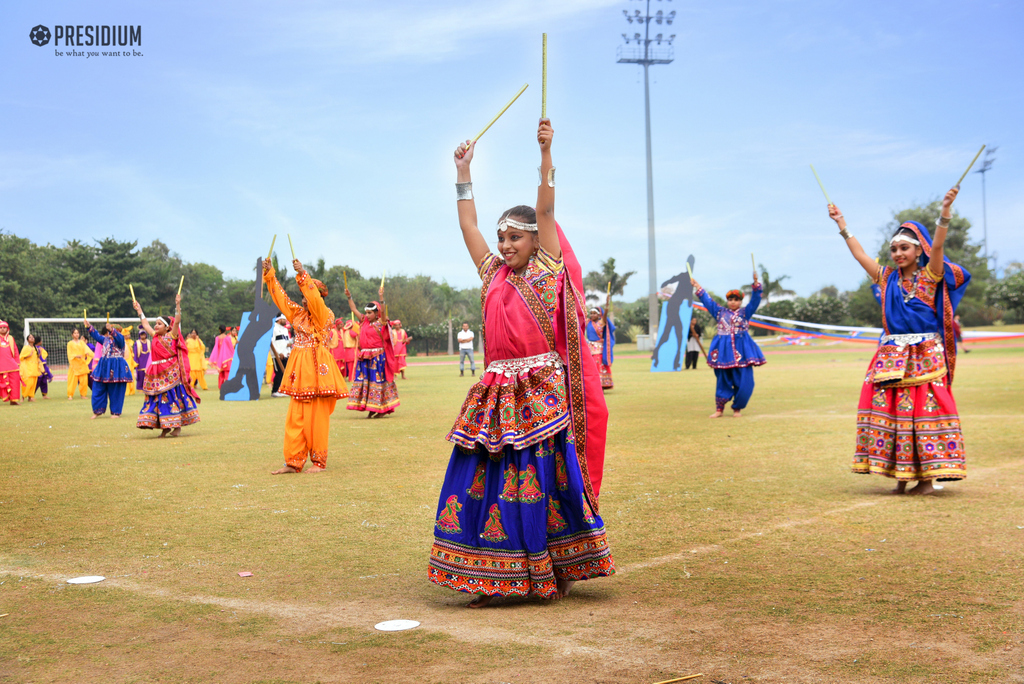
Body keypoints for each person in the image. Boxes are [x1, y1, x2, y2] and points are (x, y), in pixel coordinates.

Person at [428, 118, 614, 608]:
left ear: (535, 240)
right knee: (487, 481)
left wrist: (546, 156)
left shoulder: (548, 271)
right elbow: (468, 225)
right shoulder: (491, 272)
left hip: (540, 392)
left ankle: (556, 569)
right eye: (503, 237)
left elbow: (547, 207)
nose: (506, 245)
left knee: (544, 482)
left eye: (516, 237)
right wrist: (463, 174)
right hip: (495, 396)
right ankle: (489, 573)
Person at [829, 188, 970, 494]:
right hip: (892, 355)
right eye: (894, 249)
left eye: (904, 248)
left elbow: (939, 246)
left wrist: (945, 213)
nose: (897, 254)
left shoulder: (931, 275)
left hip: (925, 356)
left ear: (919, 250)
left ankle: (926, 480)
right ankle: (901, 477)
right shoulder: (886, 278)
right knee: (894, 413)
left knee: (922, 414)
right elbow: (859, 255)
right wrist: (843, 225)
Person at [263, 258, 349, 473]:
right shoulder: (298, 315)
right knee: (295, 417)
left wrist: (302, 275)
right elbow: (281, 299)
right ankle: (293, 461)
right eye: (301, 297)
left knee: (316, 418)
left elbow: (315, 301)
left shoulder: (324, 314)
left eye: (306, 296)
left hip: (318, 370)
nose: (303, 301)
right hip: (299, 372)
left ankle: (319, 462)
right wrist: (270, 275)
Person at [690, 273, 766, 418]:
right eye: (730, 299)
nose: (732, 302)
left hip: (742, 352)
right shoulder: (719, 312)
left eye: (736, 300)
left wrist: (756, 285)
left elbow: (755, 300)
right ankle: (719, 409)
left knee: (744, 381)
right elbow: (708, 301)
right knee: (722, 379)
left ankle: (737, 408)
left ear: (740, 301)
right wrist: (697, 286)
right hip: (723, 352)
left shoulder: (745, 313)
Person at [133, 295, 201, 437]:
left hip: (170, 373)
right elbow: (145, 324)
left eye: (159, 324)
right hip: (156, 373)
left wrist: (177, 305)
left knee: (172, 398)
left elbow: (176, 322)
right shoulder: (155, 336)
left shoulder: (172, 336)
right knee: (158, 399)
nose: (155, 326)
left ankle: (176, 426)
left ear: (167, 327)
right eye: (156, 323)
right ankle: (164, 426)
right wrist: (139, 310)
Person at [345, 288, 400, 417]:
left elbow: (384, 312)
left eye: (370, 312)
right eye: (367, 312)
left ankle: (382, 408)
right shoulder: (364, 320)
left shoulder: (381, 322)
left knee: (377, 383)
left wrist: (381, 298)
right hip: (365, 357)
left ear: (377, 313)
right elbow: (353, 309)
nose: (368, 314)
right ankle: (371, 407)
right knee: (367, 383)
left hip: (377, 358)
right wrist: (349, 297)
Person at [84, 317, 133, 418]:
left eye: (111, 331)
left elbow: (119, 337)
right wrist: (89, 326)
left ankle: (116, 412)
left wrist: (112, 329)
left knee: (116, 389)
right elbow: (96, 335)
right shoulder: (105, 340)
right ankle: (97, 410)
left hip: (116, 367)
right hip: (104, 366)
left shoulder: (121, 340)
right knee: (98, 387)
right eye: (109, 331)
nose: (109, 333)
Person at [585, 300, 616, 390]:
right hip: (590, 348)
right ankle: (594, 384)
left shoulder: (601, 323)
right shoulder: (588, 322)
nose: (592, 315)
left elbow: (605, 316)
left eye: (594, 313)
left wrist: (606, 308)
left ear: (598, 315)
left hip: (599, 348)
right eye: (591, 313)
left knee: (598, 364)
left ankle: (601, 384)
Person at [66, 328, 92, 399]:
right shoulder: (70, 344)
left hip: (82, 364)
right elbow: (69, 354)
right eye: (75, 333)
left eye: (77, 333)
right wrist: (76, 356)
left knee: (84, 381)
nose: (76, 334)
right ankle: (70, 395)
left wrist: (93, 355)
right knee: (72, 381)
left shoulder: (82, 343)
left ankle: (83, 395)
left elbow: (87, 350)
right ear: (72, 335)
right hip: (74, 365)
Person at [269, 315, 291, 397]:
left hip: (285, 354)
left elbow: (287, 342)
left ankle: (282, 390)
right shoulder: (273, 328)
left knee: (284, 373)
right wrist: (278, 353)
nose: (286, 321)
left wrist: (288, 351)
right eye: (284, 319)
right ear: (279, 319)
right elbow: (272, 343)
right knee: (278, 372)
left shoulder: (285, 330)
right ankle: (275, 391)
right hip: (277, 355)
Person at [0, 321, 20, 406]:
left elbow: (15, 350)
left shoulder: (11, 338)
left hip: (12, 364)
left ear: (7, 328)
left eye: (4, 327)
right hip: (1, 364)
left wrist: (17, 362)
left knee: (14, 382)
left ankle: (13, 400)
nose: (2, 329)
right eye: (0, 328)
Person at [19, 334, 42, 402]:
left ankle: (30, 397)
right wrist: (28, 355)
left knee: (33, 383)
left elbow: (37, 358)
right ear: (27, 339)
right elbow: (21, 357)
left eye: (33, 337)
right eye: (30, 337)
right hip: (28, 367)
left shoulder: (36, 348)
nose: (31, 338)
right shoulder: (26, 348)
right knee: (28, 382)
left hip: (35, 367)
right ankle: (23, 397)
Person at [122, 326, 137, 397]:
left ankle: (132, 390)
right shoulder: (122, 343)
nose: (129, 335)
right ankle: (126, 391)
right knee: (126, 375)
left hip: (130, 361)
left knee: (131, 376)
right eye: (128, 334)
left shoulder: (129, 342)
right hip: (125, 362)